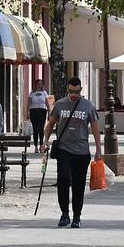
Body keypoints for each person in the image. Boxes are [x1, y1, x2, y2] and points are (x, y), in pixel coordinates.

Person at [49, 77, 102, 227]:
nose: (73, 95)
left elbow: (95, 128)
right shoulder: (60, 104)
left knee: (79, 185)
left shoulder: (88, 105)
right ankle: (64, 213)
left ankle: (77, 216)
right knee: (64, 180)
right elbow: (50, 124)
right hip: (64, 149)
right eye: (71, 92)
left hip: (82, 151)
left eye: (76, 92)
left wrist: (98, 150)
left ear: (80, 90)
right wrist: (44, 142)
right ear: (67, 89)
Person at [27, 83, 51, 152]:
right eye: (38, 84)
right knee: (35, 129)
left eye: (41, 84)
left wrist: (49, 112)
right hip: (33, 111)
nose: (39, 85)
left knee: (41, 129)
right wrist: (27, 112)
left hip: (42, 111)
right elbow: (28, 104)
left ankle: (41, 146)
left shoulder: (44, 93)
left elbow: (47, 103)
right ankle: (36, 147)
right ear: (35, 85)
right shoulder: (32, 93)